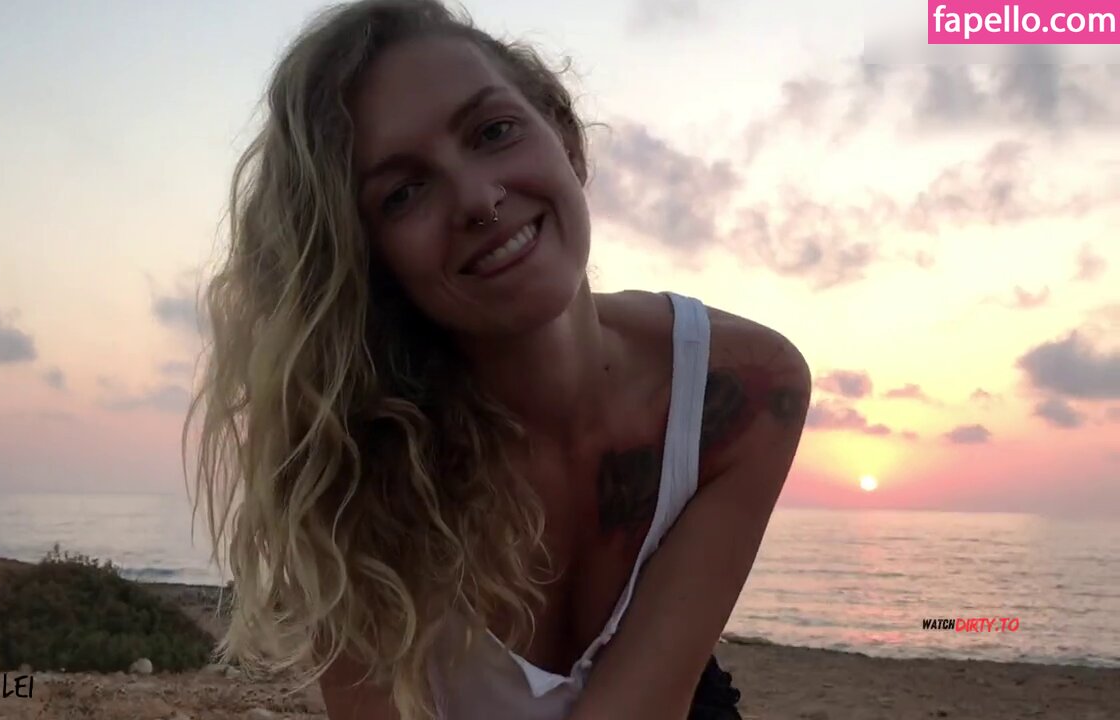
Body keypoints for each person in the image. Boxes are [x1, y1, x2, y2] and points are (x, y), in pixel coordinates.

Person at [184, 1, 810, 718]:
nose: (479, 200)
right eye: (403, 193)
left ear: (565, 135)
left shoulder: (742, 390)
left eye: (493, 131)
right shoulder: (348, 460)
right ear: (365, 258)